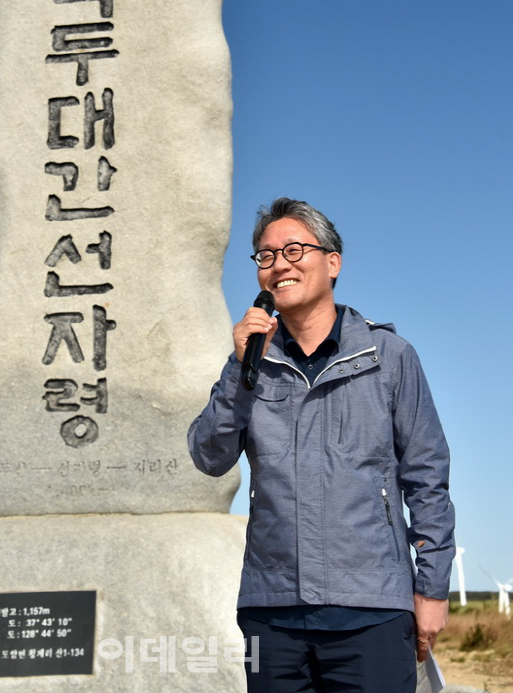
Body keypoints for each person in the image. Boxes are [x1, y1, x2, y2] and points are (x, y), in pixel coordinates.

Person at [188, 198, 455, 693]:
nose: (279, 264)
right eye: (265, 256)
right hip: (271, 609)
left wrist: (433, 588)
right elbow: (209, 456)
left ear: (333, 262)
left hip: (371, 606)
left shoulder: (388, 357)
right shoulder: (251, 363)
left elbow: (427, 480)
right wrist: (237, 369)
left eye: (293, 249)